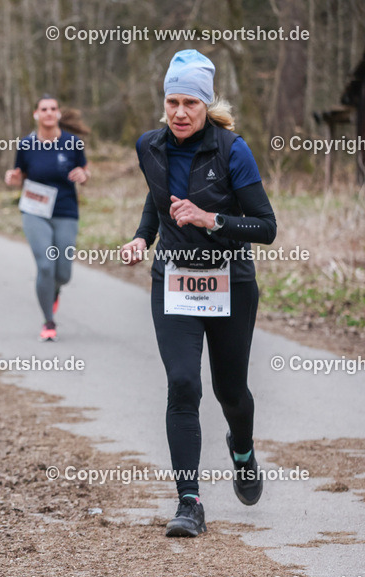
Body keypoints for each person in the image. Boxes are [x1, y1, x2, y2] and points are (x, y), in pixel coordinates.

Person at [119, 49, 276, 537]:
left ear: (206, 105)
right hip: (175, 281)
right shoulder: (149, 146)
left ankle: (243, 450)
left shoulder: (233, 150)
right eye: (173, 101)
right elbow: (156, 196)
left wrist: (212, 220)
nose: (180, 112)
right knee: (184, 384)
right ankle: (189, 503)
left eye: (190, 102)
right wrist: (142, 238)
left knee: (230, 390)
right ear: (163, 103)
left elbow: (266, 227)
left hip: (231, 280)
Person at [4, 95, 89, 341]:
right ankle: (48, 321)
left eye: (53, 109)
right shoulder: (26, 144)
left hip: (65, 210)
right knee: (45, 264)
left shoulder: (73, 143)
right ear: (36, 114)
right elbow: (20, 174)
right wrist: (13, 178)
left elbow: (85, 170)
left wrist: (83, 175)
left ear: (59, 114)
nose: (49, 113)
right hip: (34, 210)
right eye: (44, 109)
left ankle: (54, 290)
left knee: (63, 273)